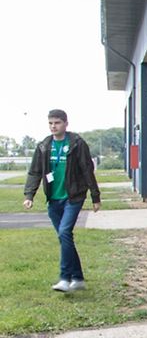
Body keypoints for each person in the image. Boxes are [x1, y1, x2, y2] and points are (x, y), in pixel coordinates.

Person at [23, 109, 102, 293]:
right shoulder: (44, 146)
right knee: (64, 237)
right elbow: (35, 172)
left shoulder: (77, 143)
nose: (53, 126)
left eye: (57, 123)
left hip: (73, 197)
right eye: (50, 123)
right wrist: (29, 196)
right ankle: (78, 279)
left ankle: (65, 278)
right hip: (53, 199)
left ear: (66, 123)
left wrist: (95, 196)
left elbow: (87, 169)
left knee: (64, 232)